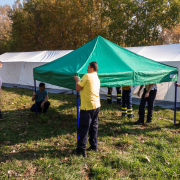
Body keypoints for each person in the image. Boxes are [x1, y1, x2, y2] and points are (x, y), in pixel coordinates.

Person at [73, 62, 100, 157]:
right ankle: (94, 146)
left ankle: (81, 149)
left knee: (84, 128)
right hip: (96, 105)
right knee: (94, 127)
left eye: (88, 68)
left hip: (87, 107)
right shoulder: (97, 77)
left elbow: (77, 88)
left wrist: (77, 80)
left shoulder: (87, 76)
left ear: (92, 69)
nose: (87, 69)